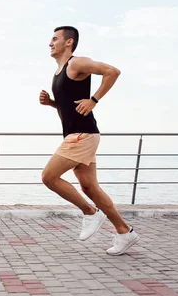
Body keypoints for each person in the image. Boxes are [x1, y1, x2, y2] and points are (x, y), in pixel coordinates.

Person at [39, 26, 139, 255]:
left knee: (49, 177)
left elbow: (112, 71)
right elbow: (70, 107)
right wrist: (52, 104)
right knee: (90, 187)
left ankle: (90, 212)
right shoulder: (59, 72)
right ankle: (125, 232)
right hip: (80, 133)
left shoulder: (76, 63)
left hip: (82, 135)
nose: (50, 43)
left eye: (55, 39)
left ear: (68, 42)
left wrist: (94, 99)